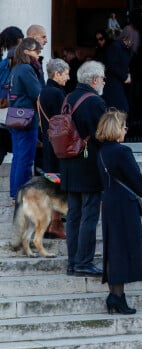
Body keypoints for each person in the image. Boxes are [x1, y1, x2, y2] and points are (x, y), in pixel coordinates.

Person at [96, 109, 142, 314]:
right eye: (123, 126)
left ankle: (116, 294)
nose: (126, 129)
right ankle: (117, 297)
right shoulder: (122, 152)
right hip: (124, 204)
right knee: (123, 249)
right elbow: (136, 178)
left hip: (110, 201)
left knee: (114, 248)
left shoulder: (102, 151)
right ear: (116, 129)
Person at [59, 61, 107, 277]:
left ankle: (73, 262)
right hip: (88, 164)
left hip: (69, 163)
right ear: (95, 80)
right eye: (103, 78)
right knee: (89, 215)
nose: (104, 82)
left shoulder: (68, 98)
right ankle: (84, 262)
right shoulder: (94, 101)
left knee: (74, 215)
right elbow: (103, 135)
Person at [37, 58, 70, 239]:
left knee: (52, 182)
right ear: (56, 74)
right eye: (66, 73)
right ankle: (55, 224)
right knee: (57, 182)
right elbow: (64, 122)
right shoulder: (57, 94)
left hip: (48, 143)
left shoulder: (43, 92)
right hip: (58, 145)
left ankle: (50, 223)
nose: (68, 77)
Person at [7, 38, 43, 200]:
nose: (39, 54)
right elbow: (38, 93)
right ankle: (22, 194)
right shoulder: (27, 69)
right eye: (37, 51)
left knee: (18, 156)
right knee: (26, 159)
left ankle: (15, 192)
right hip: (27, 118)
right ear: (27, 51)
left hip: (15, 116)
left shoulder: (16, 68)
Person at [0, 26, 23, 166]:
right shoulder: (13, 62)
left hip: (7, 115)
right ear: (20, 40)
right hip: (11, 114)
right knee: (20, 156)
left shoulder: (4, 62)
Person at [102, 25, 134, 113]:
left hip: (121, 84)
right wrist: (125, 77)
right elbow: (112, 65)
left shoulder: (125, 48)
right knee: (119, 109)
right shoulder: (115, 46)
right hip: (114, 84)